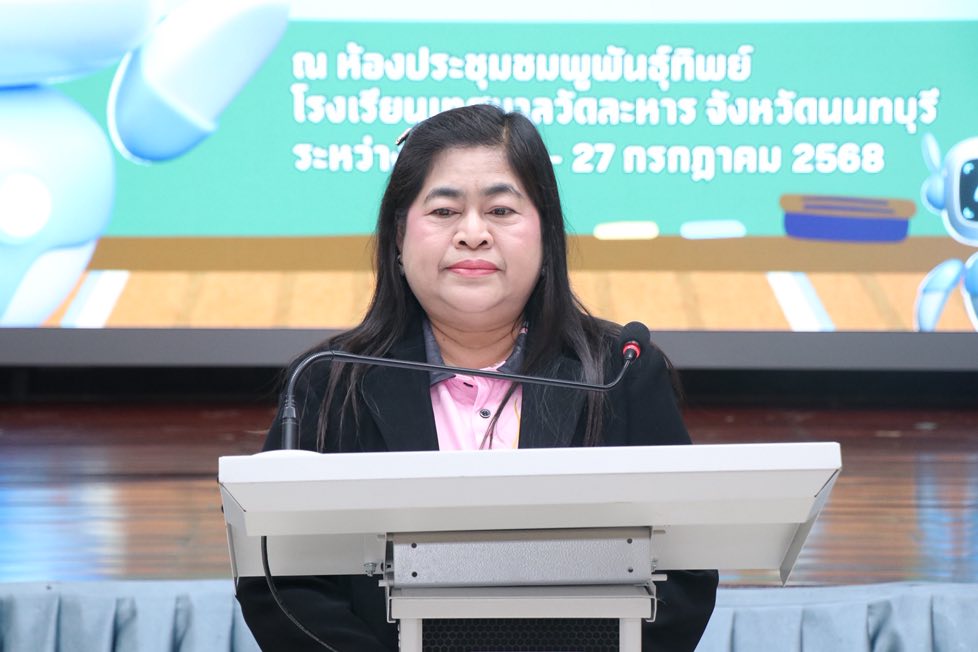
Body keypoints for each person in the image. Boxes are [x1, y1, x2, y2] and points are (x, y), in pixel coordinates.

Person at [236, 104, 718, 651]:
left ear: (547, 235)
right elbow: (281, 584)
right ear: (399, 238)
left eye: (501, 210)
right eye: (443, 211)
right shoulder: (328, 383)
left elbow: (683, 575)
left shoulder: (620, 372)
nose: (472, 234)